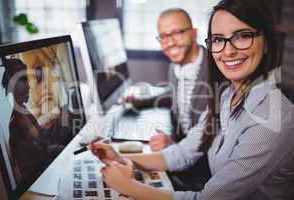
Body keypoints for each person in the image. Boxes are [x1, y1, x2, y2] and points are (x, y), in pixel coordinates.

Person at [90, 0, 294, 199]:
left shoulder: (272, 119)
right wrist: (119, 157)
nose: (229, 51)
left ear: (265, 42)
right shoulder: (226, 96)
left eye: (242, 36)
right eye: (218, 39)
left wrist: (130, 187)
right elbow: (183, 153)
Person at [126, 8, 209, 152]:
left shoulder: (215, 69)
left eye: (177, 33)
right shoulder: (174, 67)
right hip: (180, 145)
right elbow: (174, 94)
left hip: (202, 163)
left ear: (194, 33)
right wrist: (143, 101)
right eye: (163, 36)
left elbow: (215, 138)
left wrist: (175, 147)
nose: (170, 43)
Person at [1, 57, 63, 182]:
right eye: (23, 80)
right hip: (38, 178)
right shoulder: (18, 117)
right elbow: (43, 141)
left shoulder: (23, 111)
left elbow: (41, 138)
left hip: (43, 171)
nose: (29, 86)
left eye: (28, 80)